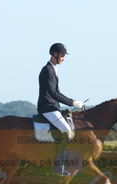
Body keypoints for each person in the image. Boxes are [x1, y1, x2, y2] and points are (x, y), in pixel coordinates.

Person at [37, 43, 84, 175]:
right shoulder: (48, 70)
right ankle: (59, 166)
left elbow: (56, 92)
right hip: (47, 108)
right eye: (62, 55)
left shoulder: (53, 69)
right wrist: (72, 102)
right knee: (66, 131)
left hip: (53, 106)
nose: (64, 58)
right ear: (55, 54)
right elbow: (54, 93)